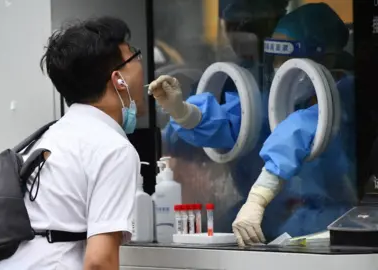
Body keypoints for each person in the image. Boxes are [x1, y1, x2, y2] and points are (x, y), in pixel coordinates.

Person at [149, 3, 356, 245]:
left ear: (325, 57)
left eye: (288, 58)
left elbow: (297, 132)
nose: (280, 66)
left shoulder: (346, 94)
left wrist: (256, 201)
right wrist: (183, 111)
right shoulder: (280, 98)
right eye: (276, 58)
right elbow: (236, 120)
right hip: (276, 215)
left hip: (325, 219)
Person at [0, 17, 145, 270]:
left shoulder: (50, 136)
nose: (141, 65)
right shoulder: (113, 149)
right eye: (134, 56)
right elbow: (100, 262)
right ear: (119, 79)